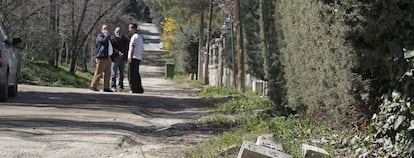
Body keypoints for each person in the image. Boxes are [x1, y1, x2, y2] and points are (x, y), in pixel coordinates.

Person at [90, 24, 114, 92]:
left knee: (108, 73)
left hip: (108, 57)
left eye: (107, 29)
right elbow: (102, 42)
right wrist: (106, 35)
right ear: (102, 30)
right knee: (99, 72)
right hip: (101, 57)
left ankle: (106, 87)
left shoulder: (109, 38)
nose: (106, 30)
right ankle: (93, 86)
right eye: (104, 28)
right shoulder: (100, 36)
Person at [110, 27, 129, 91]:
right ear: (114, 32)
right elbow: (111, 48)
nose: (118, 33)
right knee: (113, 73)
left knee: (121, 73)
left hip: (122, 59)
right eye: (117, 31)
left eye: (120, 31)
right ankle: (113, 86)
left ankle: (120, 86)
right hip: (114, 58)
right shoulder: (112, 39)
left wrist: (126, 57)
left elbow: (127, 48)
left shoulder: (125, 40)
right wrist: (118, 52)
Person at [127, 23, 144, 93]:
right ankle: (139, 88)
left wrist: (130, 57)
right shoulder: (140, 37)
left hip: (133, 57)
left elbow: (132, 47)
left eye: (130, 28)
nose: (129, 29)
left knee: (131, 74)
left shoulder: (135, 37)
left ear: (134, 29)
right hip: (138, 57)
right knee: (136, 74)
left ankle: (133, 88)